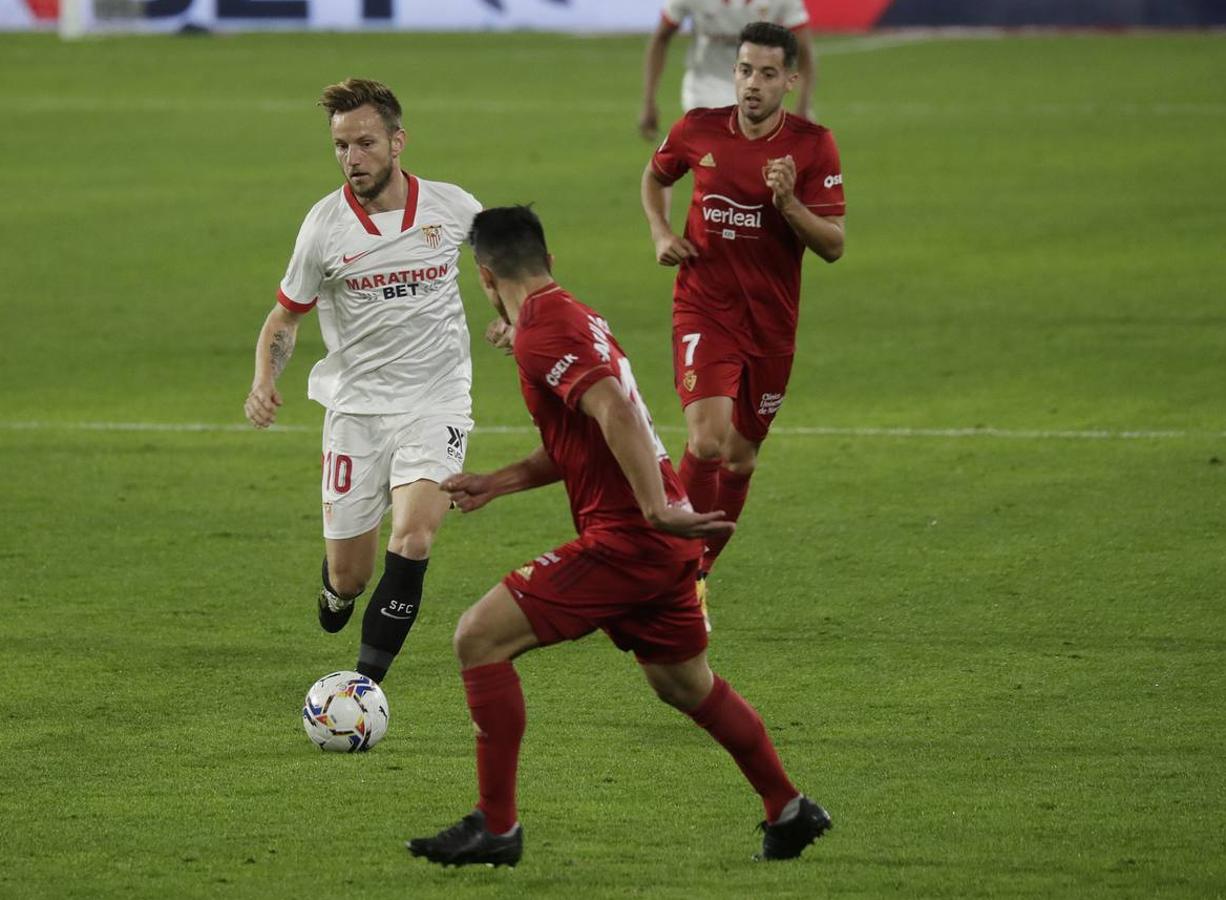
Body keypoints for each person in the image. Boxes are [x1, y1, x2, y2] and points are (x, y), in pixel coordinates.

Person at [406, 205, 831, 868]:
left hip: (630, 540)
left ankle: (497, 826)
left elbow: (618, 410)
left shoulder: (545, 333)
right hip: (657, 546)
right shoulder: (567, 315)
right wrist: (501, 481)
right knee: (684, 685)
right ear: (547, 260)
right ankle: (789, 809)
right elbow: (583, 438)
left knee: (477, 637)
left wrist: (656, 507)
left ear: (484, 276)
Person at [243, 78, 481, 684]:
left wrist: (512, 317)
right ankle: (336, 592)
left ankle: (363, 684)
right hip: (355, 410)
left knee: (416, 534)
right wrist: (264, 379)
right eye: (341, 147)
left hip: (438, 399)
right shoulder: (324, 227)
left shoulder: (452, 207)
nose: (352, 159)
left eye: (365, 143)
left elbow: (502, 265)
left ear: (398, 142)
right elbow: (285, 316)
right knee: (350, 575)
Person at [640, 22, 846, 625]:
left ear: (791, 79)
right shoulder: (699, 129)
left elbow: (833, 245)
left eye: (766, 73)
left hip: (771, 326)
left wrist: (788, 205)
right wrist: (661, 232)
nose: (752, 84)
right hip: (704, 307)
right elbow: (656, 176)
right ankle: (671, 571)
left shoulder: (813, 147)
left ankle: (697, 572)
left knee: (740, 460)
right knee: (706, 440)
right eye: (744, 70)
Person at [639, 0, 815, 142]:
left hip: (760, 89)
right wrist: (649, 101)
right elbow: (661, 38)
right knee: (722, 165)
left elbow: (804, 51)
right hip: (704, 88)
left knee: (757, 168)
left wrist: (803, 105)